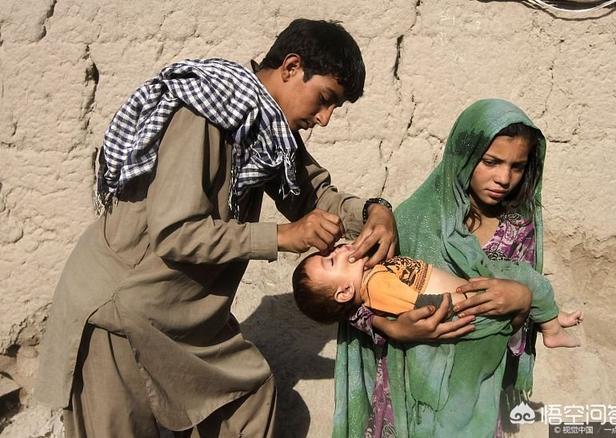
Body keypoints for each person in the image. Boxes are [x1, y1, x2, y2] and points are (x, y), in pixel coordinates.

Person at [34, 19, 401, 438]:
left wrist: (375, 211)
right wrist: (282, 237)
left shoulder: (268, 131)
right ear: (291, 67)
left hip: (181, 318)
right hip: (122, 313)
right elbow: (176, 232)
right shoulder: (204, 115)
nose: (325, 118)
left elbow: (315, 194)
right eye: (324, 99)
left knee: (250, 397)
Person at [333, 99, 580, 437]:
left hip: (474, 393)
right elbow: (348, 295)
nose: (504, 178)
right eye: (491, 162)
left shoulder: (519, 227)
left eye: (517, 166)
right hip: (407, 396)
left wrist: (521, 300)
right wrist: (389, 327)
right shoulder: (412, 221)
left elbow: (515, 325)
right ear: (463, 156)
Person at [292, 245, 582, 348]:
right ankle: (552, 329)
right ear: (344, 292)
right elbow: (423, 307)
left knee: (524, 283)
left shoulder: (371, 276)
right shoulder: (377, 286)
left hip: (469, 294)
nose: (338, 250)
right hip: (469, 301)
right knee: (527, 279)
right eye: (331, 261)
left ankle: (550, 319)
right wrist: (466, 301)